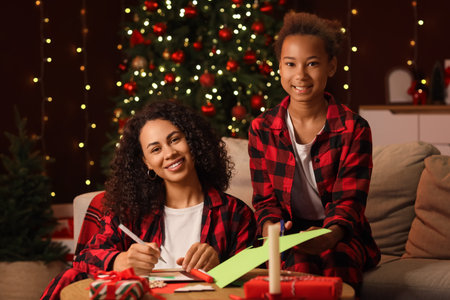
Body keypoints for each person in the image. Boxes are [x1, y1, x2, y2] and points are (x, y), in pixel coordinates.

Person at [41, 100, 257, 299]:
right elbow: (84, 260)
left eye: (175, 139)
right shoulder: (130, 212)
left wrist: (220, 266)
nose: (170, 153)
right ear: (146, 163)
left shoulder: (236, 213)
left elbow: (255, 279)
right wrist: (119, 261)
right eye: (156, 149)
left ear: (192, 142)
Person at [248, 11, 380, 295]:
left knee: (335, 261)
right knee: (297, 263)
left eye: (312, 64)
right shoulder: (262, 128)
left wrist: (327, 236)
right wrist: (274, 232)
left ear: (331, 67)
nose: (301, 75)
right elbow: (265, 201)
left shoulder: (354, 128)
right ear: (280, 68)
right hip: (289, 234)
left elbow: (349, 204)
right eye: (291, 64)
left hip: (340, 233)